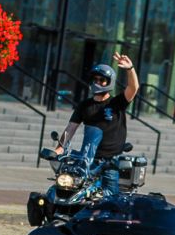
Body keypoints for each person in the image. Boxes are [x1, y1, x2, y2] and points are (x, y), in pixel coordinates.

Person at [52, 54, 139, 195]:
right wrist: (59, 149)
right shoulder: (84, 105)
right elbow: (71, 128)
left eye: (102, 80)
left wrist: (130, 69)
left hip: (110, 161)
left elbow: (133, 88)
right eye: (95, 79)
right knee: (73, 190)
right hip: (87, 159)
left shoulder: (117, 103)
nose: (97, 82)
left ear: (109, 82)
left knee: (109, 197)